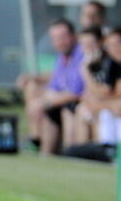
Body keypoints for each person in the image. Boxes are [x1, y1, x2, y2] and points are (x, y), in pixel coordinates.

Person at [23, 19, 84, 155]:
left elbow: (76, 93)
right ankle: (39, 145)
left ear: (73, 36)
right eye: (55, 38)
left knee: (58, 109)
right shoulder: (62, 58)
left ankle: (68, 153)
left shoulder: (81, 55)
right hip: (63, 102)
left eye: (63, 37)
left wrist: (46, 103)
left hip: (77, 104)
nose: (59, 42)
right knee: (34, 92)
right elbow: (54, 87)